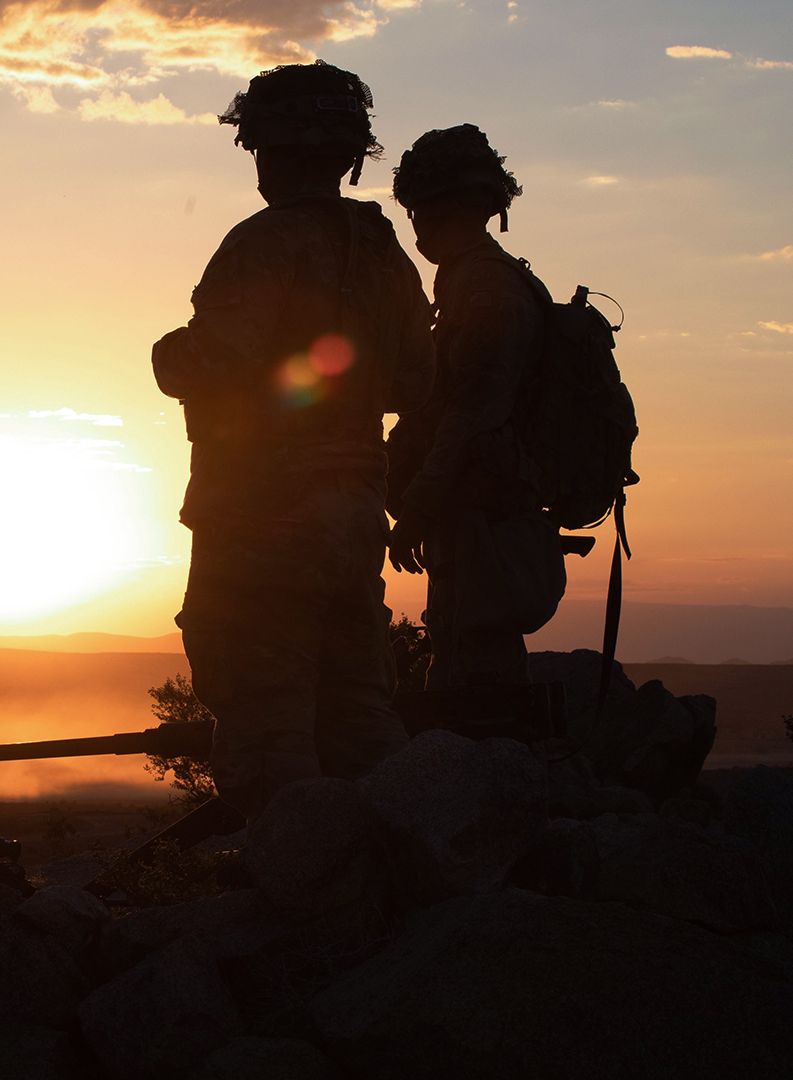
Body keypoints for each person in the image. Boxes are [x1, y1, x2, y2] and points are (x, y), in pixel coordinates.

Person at [150, 61, 435, 819]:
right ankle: (409, 858)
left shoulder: (264, 242)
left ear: (268, 150)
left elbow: (212, 358)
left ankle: (301, 873)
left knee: (264, 720)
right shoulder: (383, 252)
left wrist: (167, 354)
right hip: (354, 511)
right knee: (357, 710)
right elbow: (415, 381)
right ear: (348, 156)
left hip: (263, 514)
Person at [385, 124, 567, 689]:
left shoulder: (486, 288)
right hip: (471, 512)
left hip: (483, 516)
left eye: (417, 209)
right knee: (464, 655)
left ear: (436, 207)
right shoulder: (471, 281)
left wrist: (417, 507)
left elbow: (470, 414)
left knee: (475, 679)